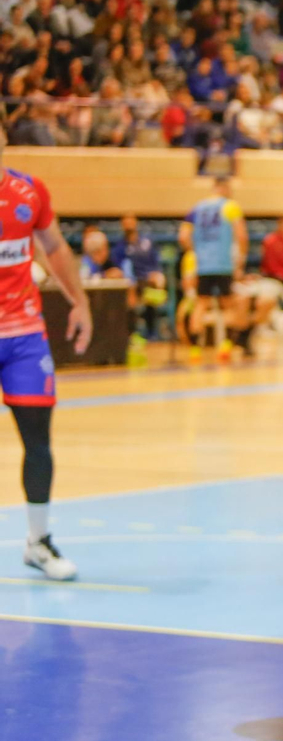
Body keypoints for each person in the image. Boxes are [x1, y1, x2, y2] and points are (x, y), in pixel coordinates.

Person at [0, 136, 91, 580]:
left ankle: (38, 542)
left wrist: (80, 302)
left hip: (24, 336)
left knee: (38, 442)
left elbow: (53, 247)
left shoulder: (29, 191)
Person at [178, 175, 245, 359]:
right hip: (223, 264)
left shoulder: (196, 208)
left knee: (201, 305)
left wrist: (196, 251)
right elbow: (241, 235)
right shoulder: (230, 206)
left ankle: (194, 349)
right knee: (228, 305)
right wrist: (240, 259)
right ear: (224, 188)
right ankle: (225, 346)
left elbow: (183, 236)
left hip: (203, 265)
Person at [111, 213, 165, 340]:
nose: (129, 226)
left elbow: (156, 264)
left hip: (148, 280)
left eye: (131, 222)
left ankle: (152, 333)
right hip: (130, 282)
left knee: (153, 288)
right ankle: (132, 333)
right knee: (131, 292)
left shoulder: (147, 243)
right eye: (125, 223)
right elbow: (119, 269)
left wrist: (157, 274)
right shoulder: (119, 248)